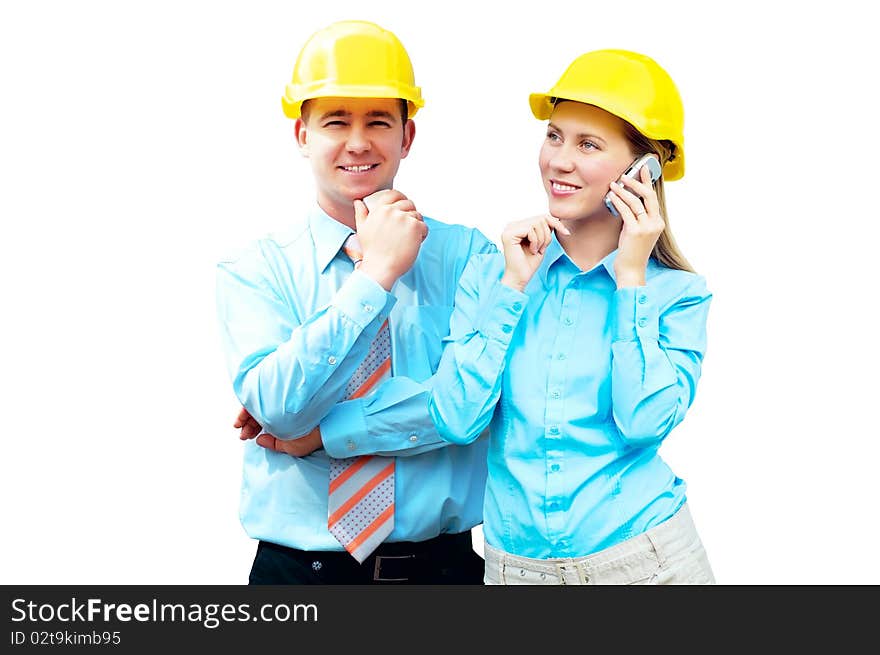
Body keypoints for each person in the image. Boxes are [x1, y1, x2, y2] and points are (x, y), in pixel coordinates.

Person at [215, 20, 495, 584]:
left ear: (407, 136)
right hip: (297, 577)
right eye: (336, 121)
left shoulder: (469, 257)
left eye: (379, 121)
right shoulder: (255, 269)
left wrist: (323, 433)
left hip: (443, 573)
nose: (359, 141)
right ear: (302, 135)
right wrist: (375, 278)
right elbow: (277, 411)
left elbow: (471, 408)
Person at [427, 49, 716, 584]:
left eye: (588, 145)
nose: (559, 160)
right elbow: (455, 419)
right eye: (555, 136)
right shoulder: (494, 274)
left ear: (643, 171)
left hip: (646, 566)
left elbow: (643, 422)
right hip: (517, 573)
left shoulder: (677, 294)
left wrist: (631, 278)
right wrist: (512, 287)